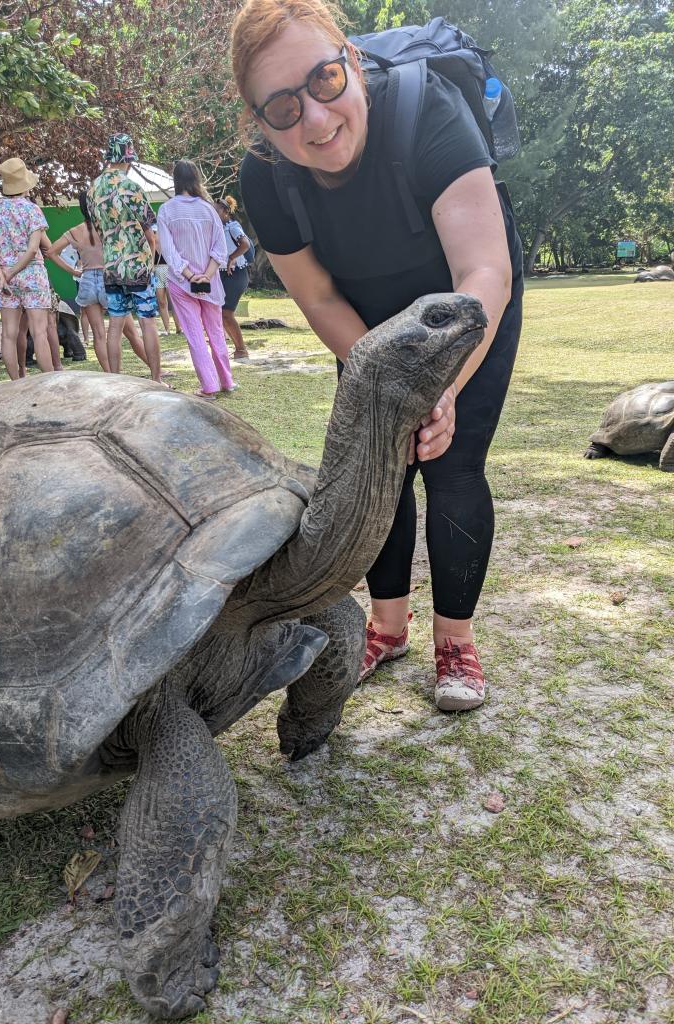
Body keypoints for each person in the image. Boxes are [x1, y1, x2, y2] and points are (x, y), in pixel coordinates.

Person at [232, 0, 523, 711]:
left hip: (465, 305)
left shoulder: (430, 112)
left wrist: (443, 389)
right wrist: (381, 372)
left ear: (352, 64)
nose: (316, 120)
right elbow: (319, 295)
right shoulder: (264, 176)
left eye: (325, 82)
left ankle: (455, 640)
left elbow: (485, 271)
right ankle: (387, 628)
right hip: (364, 320)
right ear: (259, 120)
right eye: (281, 107)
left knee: (451, 463)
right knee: (378, 468)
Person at [87, 133, 168, 385]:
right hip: (137, 265)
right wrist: (151, 263)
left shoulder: (93, 190)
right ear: (128, 160)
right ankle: (156, 379)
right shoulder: (132, 187)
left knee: (115, 325)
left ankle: (115, 380)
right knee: (147, 322)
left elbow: (100, 233)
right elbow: (149, 233)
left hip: (111, 265)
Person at [156, 160, 236, 399]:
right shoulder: (209, 209)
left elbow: (168, 253)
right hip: (211, 283)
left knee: (195, 336)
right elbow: (220, 249)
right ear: (196, 178)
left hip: (181, 283)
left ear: (175, 179)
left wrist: (191, 275)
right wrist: (207, 275)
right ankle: (227, 381)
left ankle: (209, 386)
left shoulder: (167, 210)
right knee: (216, 332)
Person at [0, 157, 55, 378]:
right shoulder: (32, 210)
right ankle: (49, 380)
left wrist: (1, 273)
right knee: (39, 332)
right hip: (32, 273)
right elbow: (34, 249)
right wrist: (12, 271)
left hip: (6, 277)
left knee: (8, 335)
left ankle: (15, 382)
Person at [47, 191, 112, 370]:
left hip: (87, 279)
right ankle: (117, 372)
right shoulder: (109, 227)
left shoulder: (75, 231)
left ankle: (109, 374)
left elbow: (51, 252)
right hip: (109, 279)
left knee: (99, 334)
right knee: (116, 331)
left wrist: (73, 270)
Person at [214, 196, 252, 361]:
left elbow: (245, 244)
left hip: (235, 273)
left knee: (226, 313)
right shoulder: (218, 228)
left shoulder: (232, 227)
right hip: (223, 274)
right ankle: (236, 348)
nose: (213, 213)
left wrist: (231, 258)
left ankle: (241, 350)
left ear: (225, 212)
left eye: (216, 210)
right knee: (222, 313)